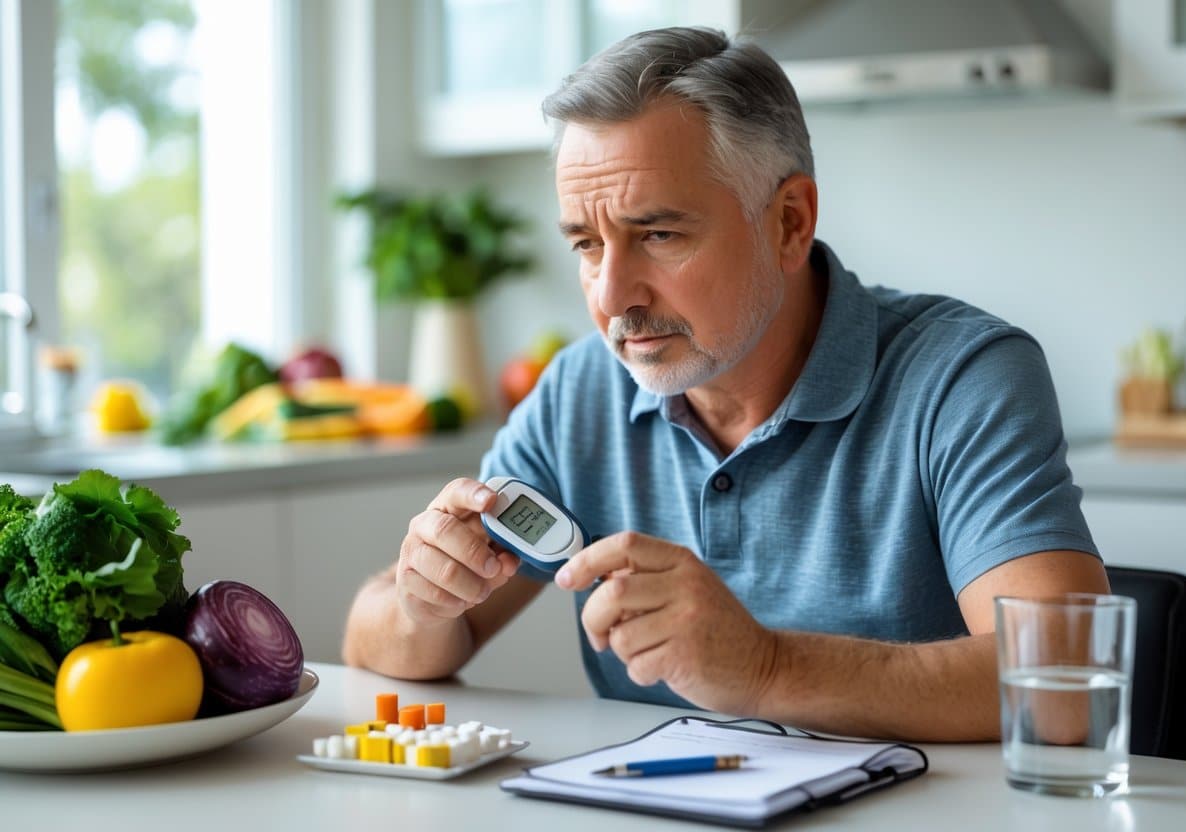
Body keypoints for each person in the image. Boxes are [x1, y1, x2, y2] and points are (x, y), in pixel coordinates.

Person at [343, 27, 1108, 741]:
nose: (612, 297)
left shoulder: (963, 377)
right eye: (585, 243)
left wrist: (765, 668)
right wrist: (423, 602)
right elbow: (375, 641)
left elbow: (1068, 685)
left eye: (659, 235)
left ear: (788, 223)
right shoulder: (580, 391)